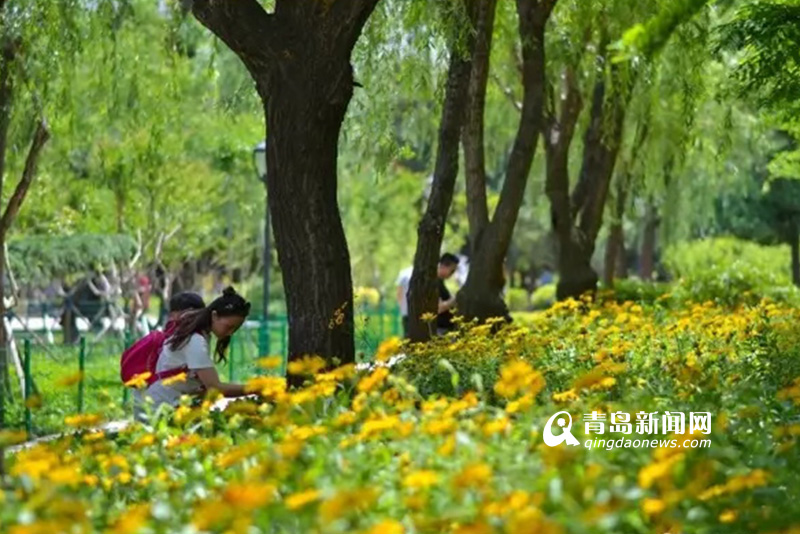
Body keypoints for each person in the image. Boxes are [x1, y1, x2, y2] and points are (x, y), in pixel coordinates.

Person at [138, 287, 251, 417]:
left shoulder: (200, 334)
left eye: (235, 329)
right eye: (229, 326)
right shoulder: (195, 340)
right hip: (159, 406)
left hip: (167, 403)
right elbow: (215, 387)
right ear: (214, 315)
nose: (230, 333)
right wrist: (256, 388)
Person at [436, 253, 460, 335]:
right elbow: (438, 308)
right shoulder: (435, 284)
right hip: (440, 330)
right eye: (452, 271)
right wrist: (455, 299)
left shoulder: (440, 283)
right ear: (443, 266)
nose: (452, 274)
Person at [395, 265, 413, 337]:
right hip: (419, 313)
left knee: (407, 336)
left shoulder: (404, 273)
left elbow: (399, 292)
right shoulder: (424, 272)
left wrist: (401, 306)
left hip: (405, 311)